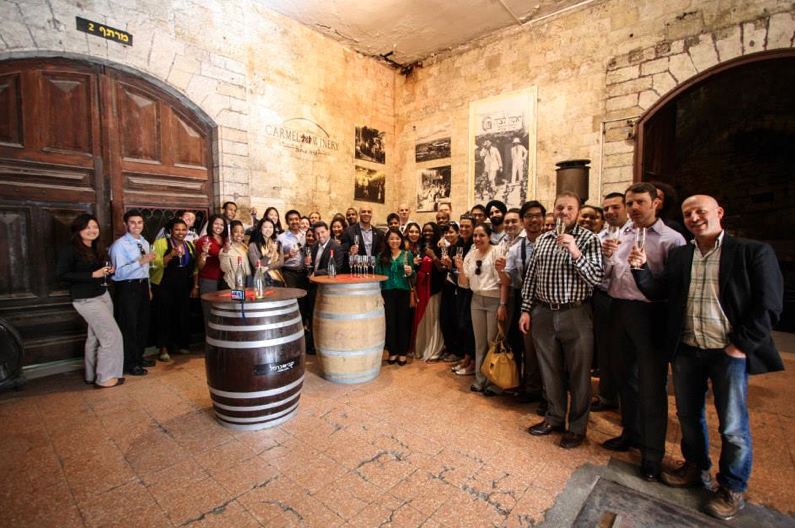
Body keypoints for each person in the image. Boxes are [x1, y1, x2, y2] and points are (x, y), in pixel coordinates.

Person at [629, 195, 783, 520]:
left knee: (732, 425)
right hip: (687, 347)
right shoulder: (682, 255)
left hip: (727, 350)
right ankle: (696, 467)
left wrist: (740, 345)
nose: (695, 217)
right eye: (688, 214)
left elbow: (769, 304)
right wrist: (639, 269)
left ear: (719, 213)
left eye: (701, 211)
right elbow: (661, 293)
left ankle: (731, 486)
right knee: (688, 415)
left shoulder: (751, 252)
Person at [600, 183, 685, 481]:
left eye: (639, 202)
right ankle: (631, 434)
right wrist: (606, 256)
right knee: (626, 379)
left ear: (655, 203)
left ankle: (652, 455)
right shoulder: (621, 234)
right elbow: (609, 275)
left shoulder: (672, 239)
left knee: (651, 387)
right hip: (619, 309)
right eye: (629, 202)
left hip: (650, 314)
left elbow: (673, 287)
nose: (633, 207)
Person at [519, 192, 604, 449]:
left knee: (578, 374)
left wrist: (575, 252)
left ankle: (577, 427)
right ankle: (554, 417)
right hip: (543, 313)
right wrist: (525, 310)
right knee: (550, 369)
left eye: (569, 208)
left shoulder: (590, 240)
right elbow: (531, 277)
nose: (563, 212)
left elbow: (597, 277)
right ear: (553, 212)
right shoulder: (543, 239)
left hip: (575, 313)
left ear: (578, 212)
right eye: (559, 208)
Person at [56, 214, 124, 388]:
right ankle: (105, 378)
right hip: (85, 299)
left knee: (95, 336)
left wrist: (107, 271)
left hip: (102, 293)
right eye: (87, 227)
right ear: (78, 230)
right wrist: (93, 274)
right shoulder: (69, 249)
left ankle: (91, 374)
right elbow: (62, 275)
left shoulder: (96, 247)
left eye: (94, 227)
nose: (92, 231)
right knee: (112, 336)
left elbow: (100, 270)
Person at [498, 201, 546, 408]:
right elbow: (511, 280)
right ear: (523, 221)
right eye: (529, 216)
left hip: (551, 302)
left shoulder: (552, 242)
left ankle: (550, 394)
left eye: (538, 215)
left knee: (550, 351)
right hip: (527, 302)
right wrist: (502, 271)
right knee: (530, 349)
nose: (534, 220)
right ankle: (533, 388)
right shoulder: (517, 249)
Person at [455, 223, 510, 396]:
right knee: (479, 341)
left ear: (489, 237)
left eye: (481, 236)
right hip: (476, 299)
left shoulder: (498, 251)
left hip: (494, 299)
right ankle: (480, 380)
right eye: (475, 236)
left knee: (491, 341)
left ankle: (494, 382)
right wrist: (459, 268)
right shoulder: (471, 255)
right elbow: (465, 283)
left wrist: (502, 304)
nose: (477, 239)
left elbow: (504, 281)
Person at [590, 192, 630, 413]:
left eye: (615, 207)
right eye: (606, 209)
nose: (610, 212)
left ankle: (630, 403)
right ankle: (606, 396)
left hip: (631, 299)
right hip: (604, 296)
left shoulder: (636, 233)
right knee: (605, 349)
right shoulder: (600, 237)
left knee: (627, 354)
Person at [109, 210, 156, 376]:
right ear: (126, 224)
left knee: (143, 324)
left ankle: (139, 356)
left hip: (142, 286)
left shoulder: (144, 242)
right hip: (127, 287)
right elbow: (117, 273)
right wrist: (141, 261)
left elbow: (147, 269)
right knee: (129, 325)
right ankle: (130, 363)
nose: (137, 226)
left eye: (139, 222)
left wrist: (148, 287)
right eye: (133, 222)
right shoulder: (119, 245)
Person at [150, 218, 196, 362]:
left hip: (183, 285)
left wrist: (195, 286)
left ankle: (178, 344)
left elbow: (195, 268)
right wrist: (170, 255)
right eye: (177, 229)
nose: (180, 232)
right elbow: (152, 265)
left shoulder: (189, 245)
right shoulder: (160, 243)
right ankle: (163, 347)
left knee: (181, 313)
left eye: (183, 229)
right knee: (165, 315)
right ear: (170, 231)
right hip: (164, 285)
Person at [376, 228, 415, 366]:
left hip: (403, 292)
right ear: (387, 240)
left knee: (403, 323)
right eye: (392, 238)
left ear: (401, 240)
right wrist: (379, 294)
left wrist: (411, 271)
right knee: (390, 323)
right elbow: (378, 276)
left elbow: (413, 276)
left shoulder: (407, 254)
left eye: (397, 238)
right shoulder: (381, 256)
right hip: (387, 292)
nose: (395, 241)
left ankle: (402, 353)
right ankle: (393, 352)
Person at [411, 222, 446, 361]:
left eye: (430, 231)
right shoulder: (421, 246)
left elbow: (443, 269)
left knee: (433, 318)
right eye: (425, 231)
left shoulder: (440, 247)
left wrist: (433, 256)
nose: (427, 234)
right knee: (422, 318)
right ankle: (421, 346)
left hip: (434, 288)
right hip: (421, 286)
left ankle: (433, 348)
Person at [447, 214, 476, 375]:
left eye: (467, 226)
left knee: (469, 325)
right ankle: (466, 358)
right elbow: (457, 270)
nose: (464, 229)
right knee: (462, 324)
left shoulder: (474, 244)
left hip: (471, 289)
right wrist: (450, 265)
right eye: (462, 226)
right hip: (460, 287)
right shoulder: (460, 244)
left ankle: (472, 361)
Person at [195, 214, 227, 326]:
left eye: (222, 224)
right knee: (210, 311)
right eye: (216, 223)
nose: (219, 226)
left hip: (226, 280)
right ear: (210, 225)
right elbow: (199, 265)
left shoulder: (227, 240)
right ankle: (210, 340)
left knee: (225, 310)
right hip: (209, 280)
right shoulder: (203, 241)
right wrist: (203, 254)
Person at [438, 222, 461, 362]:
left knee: (455, 320)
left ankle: (457, 351)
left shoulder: (460, 248)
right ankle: (450, 347)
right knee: (446, 318)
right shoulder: (449, 247)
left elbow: (460, 270)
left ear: (457, 233)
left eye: (451, 232)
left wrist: (450, 265)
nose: (448, 235)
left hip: (457, 288)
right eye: (446, 233)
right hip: (448, 286)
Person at [341, 205, 385, 270]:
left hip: (374, 270)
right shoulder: (348, 231)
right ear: (359, 214)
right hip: (357, 270)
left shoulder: (379, 233)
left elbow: (381, 253)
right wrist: (350, 252)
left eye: (369, 212)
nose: (366, 214)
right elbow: (343, 252)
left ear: (371, 215)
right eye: (363, 212)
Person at [248, 218, 285, 286]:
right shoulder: (253, 246)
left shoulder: (277, 244)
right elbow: (257, 266)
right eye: (265, 227)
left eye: (271, 227)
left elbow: (281, 262)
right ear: (260, 229)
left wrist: (267, 268)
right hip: (261, 280)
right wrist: (269, 254)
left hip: (277, 279)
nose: (268, 229)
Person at [219, 220, 251, 289]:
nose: (239, 234)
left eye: (242, 232)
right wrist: (225, 252)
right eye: (236, 232)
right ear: (231, 233)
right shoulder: (226, 249)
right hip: (231, 285)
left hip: (246, 283)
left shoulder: (247, 247)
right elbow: (224, 269)